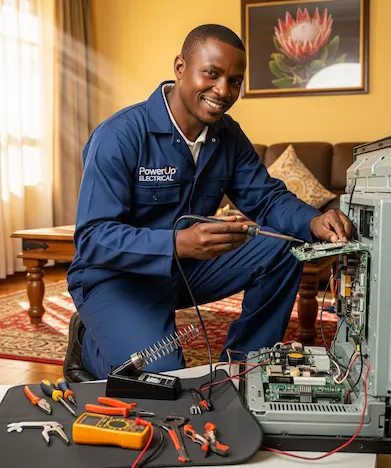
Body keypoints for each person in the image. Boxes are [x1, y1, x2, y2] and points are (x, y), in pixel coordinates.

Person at [64, 24, 353, 382]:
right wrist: (177, 243)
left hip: (184, 269)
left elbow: (266, 197)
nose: (223, 90)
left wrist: (313, 221)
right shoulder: (120, 134)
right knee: (163, 381)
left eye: (234, 80)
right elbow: (92, 238)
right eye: (212, 74)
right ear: (180, 67)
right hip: (115, 278)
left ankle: (244, 369)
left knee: (284, 248)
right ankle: (89, 341)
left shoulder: (227, 134)